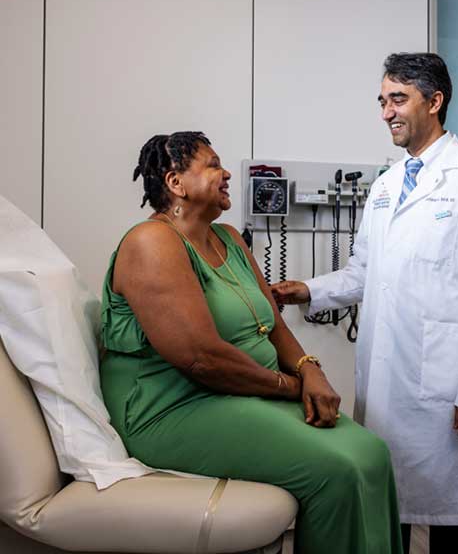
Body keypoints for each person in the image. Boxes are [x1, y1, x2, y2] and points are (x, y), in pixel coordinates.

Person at [99, 131, 403, 554]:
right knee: (338, 468)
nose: (226, 174)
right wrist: (292, 388)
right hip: (172, 406)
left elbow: (274, 324)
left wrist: (309, 369)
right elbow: (202, 359)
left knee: (371, 454)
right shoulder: (151, 243)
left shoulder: (229, 239)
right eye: (212, 165)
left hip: (242, 392)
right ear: (175, 183)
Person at [272, 53, 458, 554]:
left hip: (445, 385)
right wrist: (309, 290)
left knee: (455, 515)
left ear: (435, 101)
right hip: (385, 380)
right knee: (388, 510)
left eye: (398, 99)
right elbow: (365, 272)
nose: (386, 112)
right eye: (382, 101)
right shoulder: (385, 186)